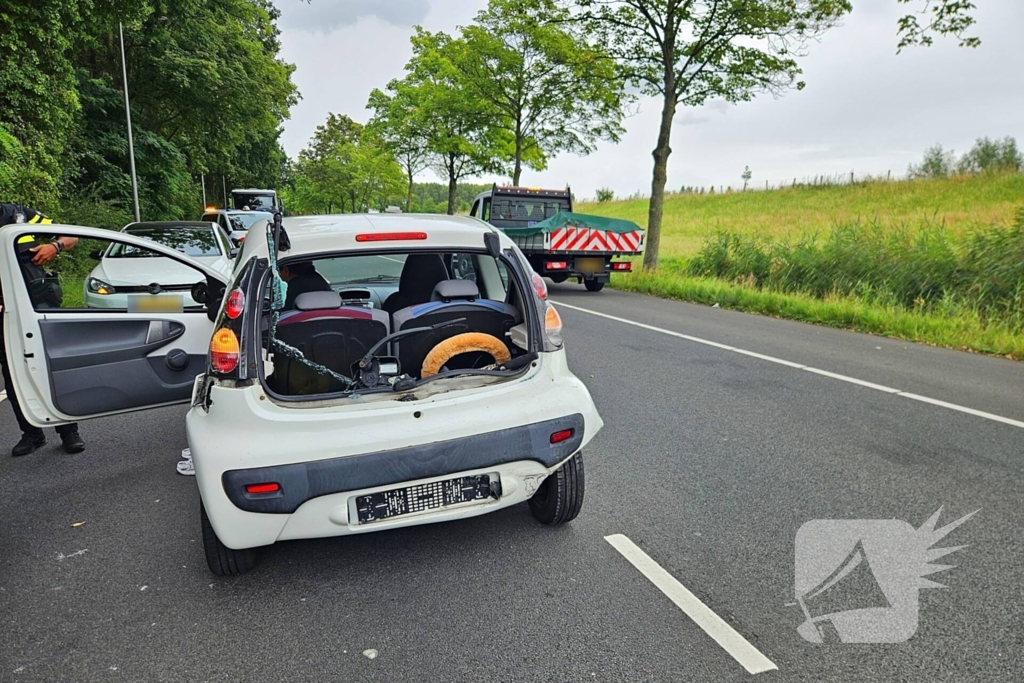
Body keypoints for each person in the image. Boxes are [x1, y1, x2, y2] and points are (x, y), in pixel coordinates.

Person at [0, 203, 86, 456]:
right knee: (12, 373)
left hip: (35, 306)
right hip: (4, 314)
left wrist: (55, 246)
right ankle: (32, 434)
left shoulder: (18, 214)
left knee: (49, 367)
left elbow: (71, 236)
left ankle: (68, 431)